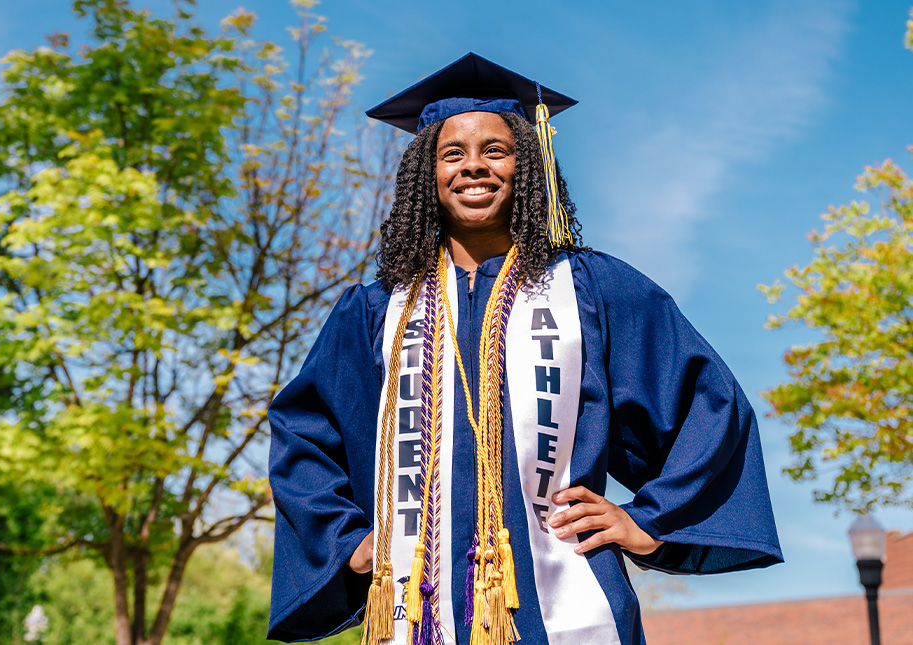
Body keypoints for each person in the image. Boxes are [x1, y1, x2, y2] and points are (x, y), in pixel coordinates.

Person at [267, 53, 782, 645]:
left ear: (528, 166)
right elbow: (305, 431)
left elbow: (706, 404)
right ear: (425, 175)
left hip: (568, 605)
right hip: (413, 607)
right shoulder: (379, 310)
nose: (473, 166)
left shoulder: (590, 289)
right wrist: (348, 541)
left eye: (496, 150)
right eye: (452, 154)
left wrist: (646, 521)